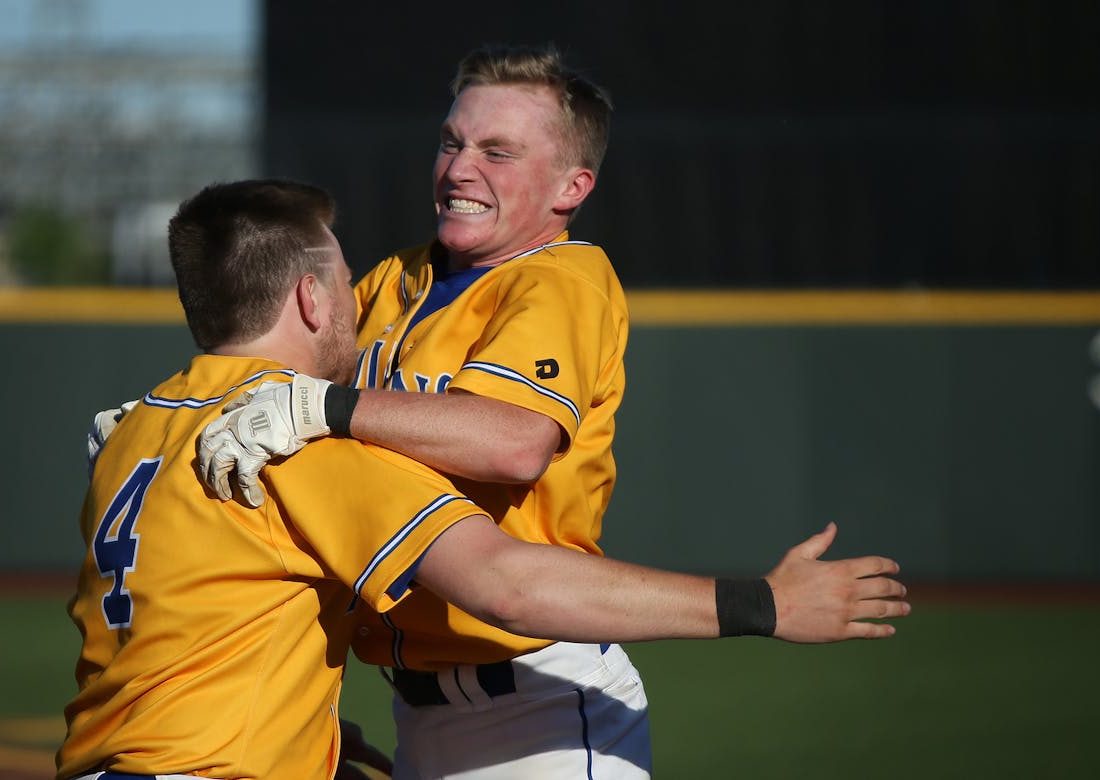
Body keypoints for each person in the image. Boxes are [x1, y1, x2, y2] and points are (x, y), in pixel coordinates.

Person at [184, 45, 897, 780]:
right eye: (452, 142)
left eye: (499, 152)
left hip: (539, 708)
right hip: (419, 708)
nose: (461, 168)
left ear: (571, 186)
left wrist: (322, 404)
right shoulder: (399, 277)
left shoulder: (561, 281)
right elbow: (270, 378)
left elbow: (516, 441)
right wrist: (177, 419)